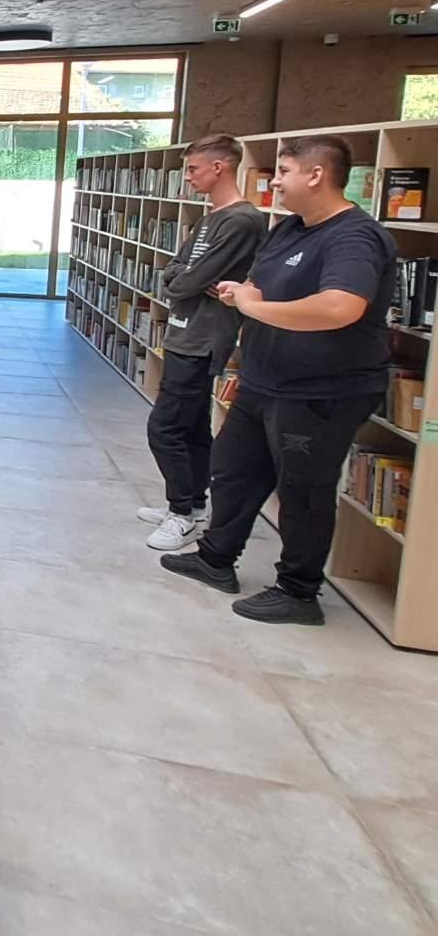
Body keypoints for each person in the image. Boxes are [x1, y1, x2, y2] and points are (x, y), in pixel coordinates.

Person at [160, 134, 396, 625]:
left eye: (284, 172)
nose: (276, 183)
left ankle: (298, 592)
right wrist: (243, 292)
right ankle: (216, 558)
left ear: (316, 175)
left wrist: (254, 307)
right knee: (233, 469)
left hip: (321, 389)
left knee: (303, 489)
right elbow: (259, 283)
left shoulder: (354, 236)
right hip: (265, 379)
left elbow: (340, 306)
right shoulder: (289, 229)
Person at [139, 136, 268, 550]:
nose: (188, 177)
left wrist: (185, 280)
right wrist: (186, 279)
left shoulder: (242, 221)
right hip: (184, 330)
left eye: (193, 169)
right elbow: (176, 272)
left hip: (205, 336)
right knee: (192, 425)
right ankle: (193, 505)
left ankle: (181, 513)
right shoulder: (211, 218)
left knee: (165, 427)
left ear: (219, 167)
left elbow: (183, 281)